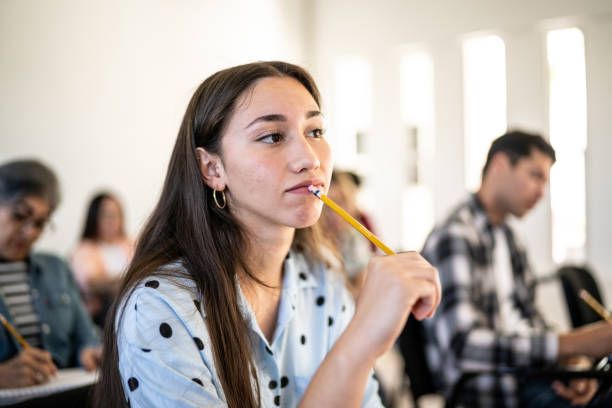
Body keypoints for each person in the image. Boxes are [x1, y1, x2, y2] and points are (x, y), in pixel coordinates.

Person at [96, 61, 441, 408]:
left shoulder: (324, 279)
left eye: (315, 131)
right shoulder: (161, 305)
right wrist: (363, 337)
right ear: (212, 168)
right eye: (273, 136)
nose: (310, 159)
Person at [421, 130, 612, 407]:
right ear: (499, 165)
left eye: (545, 181)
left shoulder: (511, 240)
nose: (541, 192)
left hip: (531, 376)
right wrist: (573, 344)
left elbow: (533, 319)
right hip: (493, 389)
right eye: (535, 175)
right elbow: (462, 345)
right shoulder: (455, 236)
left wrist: (574, 363)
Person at [0, 159, 101, 389]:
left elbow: (86, 334)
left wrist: (89, 352)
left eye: (40, 223)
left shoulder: (57, 268)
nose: (29, 232)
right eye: (18, 216)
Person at [71, 192, 134, 328]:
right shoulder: (84, 248)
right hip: (105, 311)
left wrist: (116, 281)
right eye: (107, 215)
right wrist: (130, 279)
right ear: (94, 218)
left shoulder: (132, 243)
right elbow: (93, 283)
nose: (112, 221)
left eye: (116, 215)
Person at [321, 170, 375, 297]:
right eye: (328, 207)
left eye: (341, 203)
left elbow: (362, 285)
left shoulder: (352, 237)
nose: (336, 214)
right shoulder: (309, 244)